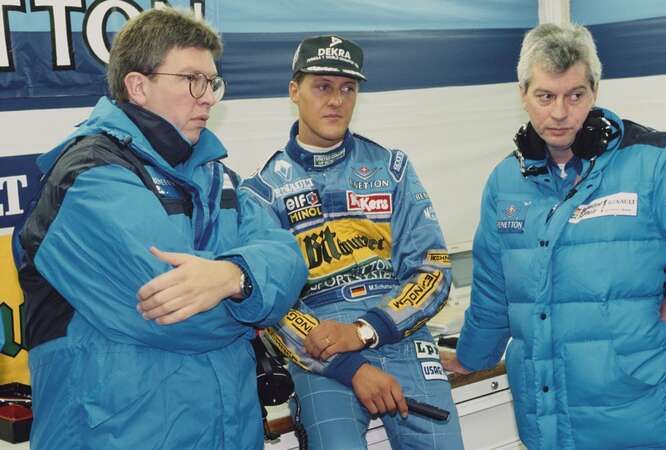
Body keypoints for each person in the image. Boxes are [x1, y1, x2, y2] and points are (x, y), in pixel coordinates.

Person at [442, 23, 666, 450]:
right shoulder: (505, 181)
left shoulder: (653, 162)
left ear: (594, 91)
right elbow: (492, 290)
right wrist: (471, 358)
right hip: (551, 427)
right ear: (522, 94)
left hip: (646, 423)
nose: (560, 112)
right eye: (545, 96)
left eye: (575, 95)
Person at [15, 8, 307, 449]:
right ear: (138, 86)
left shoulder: (215, 176)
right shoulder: (88, 176)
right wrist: (255, 301)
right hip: (122, 436)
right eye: (192, 79)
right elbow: (174, 317)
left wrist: (234, 277)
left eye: (212, 82)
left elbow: (290, 260)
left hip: (230, 432)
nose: (208, 97)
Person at [241, 35, 464, 450]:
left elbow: (433, 269)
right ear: (294, 91)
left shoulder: (391, 168)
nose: (336, 101)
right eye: (322, 86)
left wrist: (364, 331)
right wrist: (350, 364)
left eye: (348, 88)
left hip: (399, 331)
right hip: (322, 351)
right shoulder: (262, 191)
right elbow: (271, 304)